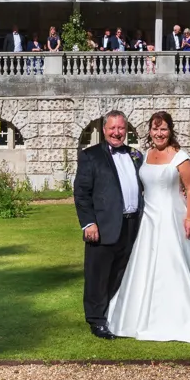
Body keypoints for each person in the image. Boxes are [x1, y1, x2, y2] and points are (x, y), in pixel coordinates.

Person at [102, 111, 190, 343]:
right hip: (149, 219)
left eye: (163, 129)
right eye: (155, 129)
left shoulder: (180, 157)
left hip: (172, 217)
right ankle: (139, 315)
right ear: (150, 132)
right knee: (144, 267)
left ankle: (184, 313)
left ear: (170, 131)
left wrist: (189, 218)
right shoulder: (145, 156)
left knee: (175, 265)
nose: (159, 134)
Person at [73, 111, 142, 339]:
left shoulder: (136, 155)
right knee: (97, 275)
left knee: (121, 273)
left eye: (121, 128)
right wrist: (89, 223)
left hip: (132, 226)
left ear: (127, 129)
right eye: (112, 128)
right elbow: (82, 193)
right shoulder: (90, 156)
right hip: (101, 227)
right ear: (104, 130)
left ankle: (113, 314)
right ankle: (96, 320)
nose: (117, 133)